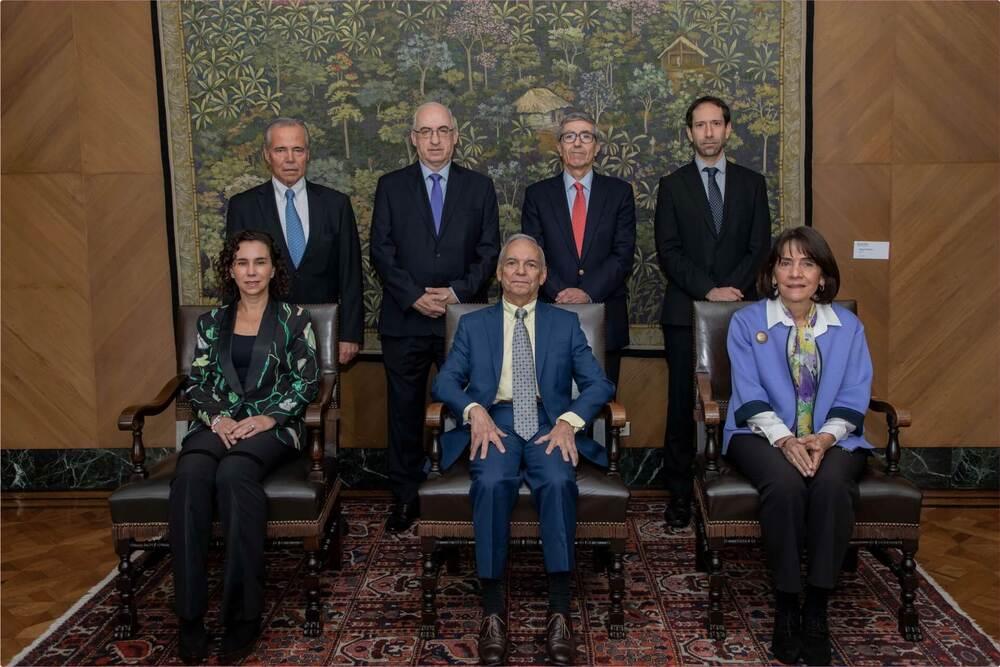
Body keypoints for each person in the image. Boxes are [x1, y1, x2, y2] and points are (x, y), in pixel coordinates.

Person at [432, 234, 614, 665]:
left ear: (543, 275)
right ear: (499, 273)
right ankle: (493, 610)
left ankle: (559, 609)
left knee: (556, 480)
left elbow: (599, 384)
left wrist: (570, 422)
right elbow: (444, 382)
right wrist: (473, 410)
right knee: (493, 482)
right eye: (511, 263)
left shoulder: (564, 323)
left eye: (530, 265)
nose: (519, 271)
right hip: (494, 422)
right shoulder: (473, 325)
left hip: (549, 423)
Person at [724, 226, 872, 666]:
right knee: (785, 486)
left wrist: (824, 440)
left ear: (823, 277)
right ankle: (787, 602)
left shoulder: (848, 328)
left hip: (834, 437)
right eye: (785, 262)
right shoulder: (747, 322)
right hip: (758, 434)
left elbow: (854, 394)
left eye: (807, 263)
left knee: (830, 487)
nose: (795, 272)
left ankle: (817, 608)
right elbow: (748, 393)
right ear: (772, 273)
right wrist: (786, 440)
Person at [169, 230, 319, 663]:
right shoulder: (211, 323)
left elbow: (306, 381)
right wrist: (219, 420)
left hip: (274, 428)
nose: (251, 272)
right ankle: (190, 615)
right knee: (191, 476)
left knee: (234, 475)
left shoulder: (295, 319)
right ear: (230, 270)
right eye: (242, 263)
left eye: (259, 262)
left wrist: (267, 417)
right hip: (218, 425)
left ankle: (242, 616)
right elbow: (196, 382)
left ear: (274, 269)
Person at [371, 102, 500, 533]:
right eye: (425, 131)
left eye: (443, 130)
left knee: (468, 409)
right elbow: (381, 250)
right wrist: (414, 297)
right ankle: (405, 499)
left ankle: (463, 492)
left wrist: (456, 295)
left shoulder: (479, 188)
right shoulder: (391, 186)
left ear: (456, 135)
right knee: (404, 414)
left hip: (462, 322)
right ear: (413, 138)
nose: (435, 139)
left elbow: (489, 251)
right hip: (405, 321)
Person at [654, 95, 771, 529]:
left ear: (727, 129)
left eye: (715, 124)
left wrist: (732, 290)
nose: (708, 132)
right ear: (689, 133)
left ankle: (737, 490)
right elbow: (668, 251)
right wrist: (708, 290)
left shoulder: (751, 183)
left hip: (742, 313)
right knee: (682, 407)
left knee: (742, 400)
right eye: (700, 125)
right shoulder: (673, 185)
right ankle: (680, 496)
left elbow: (760, 246)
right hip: (685, 313)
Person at [226, 117, 363, 366]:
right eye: (281, 150)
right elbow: (234, 273)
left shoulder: (336, 204)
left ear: (307, 155)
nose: (290, 158)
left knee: (320, 402)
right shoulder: (243, 206)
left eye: (297, 150)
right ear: (268, 155)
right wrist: (233, 331)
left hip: (322, 331)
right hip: (260, 331)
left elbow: (350, 274)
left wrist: (350, 335)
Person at [521, 110, 636, 387]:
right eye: (569, 136)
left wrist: (586, 292)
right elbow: (533, 255)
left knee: (603, 406)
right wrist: (560, 292)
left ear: (596, 147)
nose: (577, 143)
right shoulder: (537, 195)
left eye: (586, 136)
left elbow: (622, 255)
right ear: (559, 147)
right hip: (551, 312)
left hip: (605, 317)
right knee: (551, 404)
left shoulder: (619, 193)